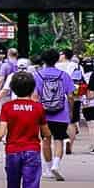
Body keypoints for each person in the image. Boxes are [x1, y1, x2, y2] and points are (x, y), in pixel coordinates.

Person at [32, 49, 72, 180]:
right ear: (57, 60)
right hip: (61, 113)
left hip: (44, 114)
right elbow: (70, 95)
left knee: (46, 140)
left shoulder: (37, 75)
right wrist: (70, 110)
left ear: (43, 60)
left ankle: (48, 169)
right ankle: (56, 164)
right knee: (59, 139)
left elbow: (35, 97)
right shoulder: (64, 75)